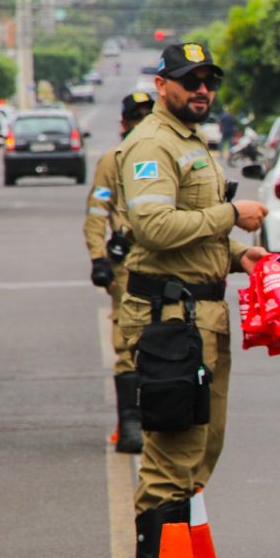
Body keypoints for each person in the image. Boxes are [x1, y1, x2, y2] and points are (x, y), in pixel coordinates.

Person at [115, 42, 268, 558]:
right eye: (188, 80)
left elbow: (193, 231)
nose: (201, 90)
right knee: (171, 456)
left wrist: (239, 257)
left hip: (200, 316)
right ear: (162, 83)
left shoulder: (190, 139)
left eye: (207, 81)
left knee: (200, 451)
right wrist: (233, 217)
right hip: (170, 323)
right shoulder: (153, 143)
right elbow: (154, 228)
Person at [82, 91, 155, 454]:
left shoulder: (165, 153)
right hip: (127, 264)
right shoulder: (113, 160)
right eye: (136, 116)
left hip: (169, 259)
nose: (142, 122)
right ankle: (130, 421)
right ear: (123, 123)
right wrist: (98, 257)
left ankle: (165, 414)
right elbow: (97, 211)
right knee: (129, 339)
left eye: (148, 115)